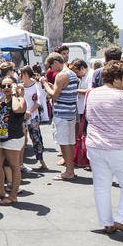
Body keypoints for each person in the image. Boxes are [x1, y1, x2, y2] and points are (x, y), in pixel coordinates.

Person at [85, 61, 123, 238]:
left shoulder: (92, 94)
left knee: (101, 185)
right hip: (121, 147)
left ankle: (107, 223)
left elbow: (88, 117)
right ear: (116, 78)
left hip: (96, 145)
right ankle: (122, 218)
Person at [0, 77, 27, 205]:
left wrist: (15, 93)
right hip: (0, 136)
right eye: (3, 85)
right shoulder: (1, 98)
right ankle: (1, 191)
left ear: (14, 86)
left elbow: (16, 109)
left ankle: (13, 196)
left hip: (13, 137)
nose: (5, 88)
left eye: (9, 86)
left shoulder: (20, 100)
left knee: (14, 166)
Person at [41, 52, 79, 181]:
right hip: (71, 112)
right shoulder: (72, 73)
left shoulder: (61, 75)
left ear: (56, 62)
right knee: (70, 142)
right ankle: (70, 169)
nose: (50, 69)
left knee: (64, 143)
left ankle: (69, 171)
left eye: (50, 66)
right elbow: (62, 90)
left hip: (62, 113)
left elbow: (54, 95)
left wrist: (45, 85)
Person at [19, 66, 48, 171]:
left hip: (33, 116)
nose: (19, 76)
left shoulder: (36, 85)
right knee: (22, 140)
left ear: (26, 74)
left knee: (36, 138)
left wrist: (30, 112)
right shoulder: (19, 86)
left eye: (21, 74)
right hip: (21, 116)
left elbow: (38, 101)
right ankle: (20, 163)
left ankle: (41, 161)